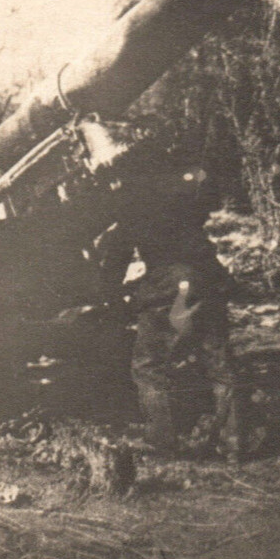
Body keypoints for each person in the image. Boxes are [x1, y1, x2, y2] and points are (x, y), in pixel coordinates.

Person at [99, 155, 241, 460]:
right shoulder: (183, 192)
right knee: (219, 363)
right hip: (207, 280)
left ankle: (163, 442)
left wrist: (111, 293)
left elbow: (117, 255)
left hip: (170, 287)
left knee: (148, 367)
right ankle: (234, 443)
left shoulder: (133, 201)